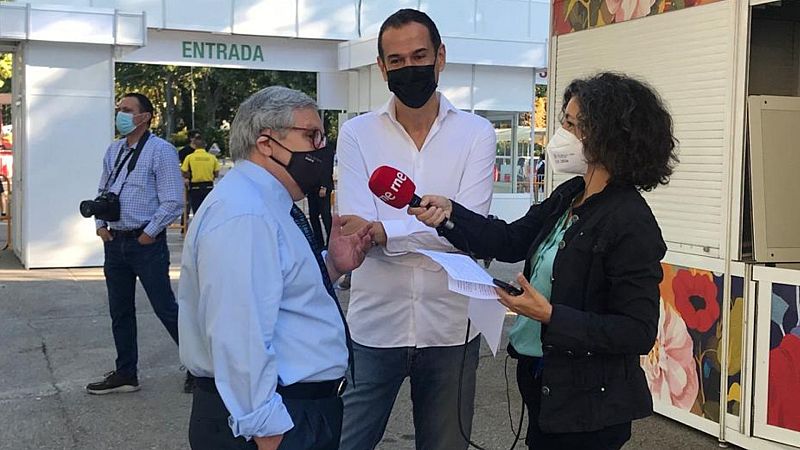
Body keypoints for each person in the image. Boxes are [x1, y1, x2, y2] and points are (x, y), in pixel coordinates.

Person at [409, 72, 678, 450]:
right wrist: (451, 215)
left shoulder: (630, 220)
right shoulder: (571, 193)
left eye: (570, 123)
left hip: (590, 407)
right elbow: (511, 239)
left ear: (605, 135)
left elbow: (636, 330)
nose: (560, 133)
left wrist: (550, 315)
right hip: (546, 386)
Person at [178, 86, 372, 450]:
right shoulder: (245, 213)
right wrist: (267, 428)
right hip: (273, 421)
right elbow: (238, 330)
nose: (320, 148)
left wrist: (331, 267)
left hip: (292, 411)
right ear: (267, 143)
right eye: (311, 135)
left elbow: (276, 292)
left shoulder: (266, 204)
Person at [336, 9, 496, 450]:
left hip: (451, 326)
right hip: (374, 326)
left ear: (440, 57)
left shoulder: (477, 135)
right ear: (382, 67)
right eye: (397, 60)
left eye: (419, 55)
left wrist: (386, 233)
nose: (409, 68)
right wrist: (432, 229)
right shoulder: (356, 134)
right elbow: (353, 230)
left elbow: (469, 228)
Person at [87, 93, 187, 395]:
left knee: (166, 308)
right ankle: (126, 373)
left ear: (145, 117)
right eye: (120, 110)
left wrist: (149, 232)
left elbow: (172, 201)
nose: (121, 115)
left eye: (128, 110)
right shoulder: (114, 150)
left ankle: (202, 367)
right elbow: (103, 191)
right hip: (114, 243)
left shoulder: (161, 151)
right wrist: (100, 225)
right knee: (120, 311)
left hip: (145, 244)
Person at [181, 136, 220, 215]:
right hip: (209, 187)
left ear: (194, 145)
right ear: (205, 145)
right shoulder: (212, 157)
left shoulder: (190, 157)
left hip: (195, 187)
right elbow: (216, 173)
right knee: (208, 212)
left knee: (197, 212)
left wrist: (188, 177)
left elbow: (184, 171)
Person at [306, 143, 334, 248]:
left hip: (323, 187)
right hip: (312, 187)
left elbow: (327, 169)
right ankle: (319, 242)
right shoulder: (310, 148)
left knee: (325, 215)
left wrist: (324, 186)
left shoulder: (327, 149)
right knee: (313, 216)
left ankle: (330, 240)